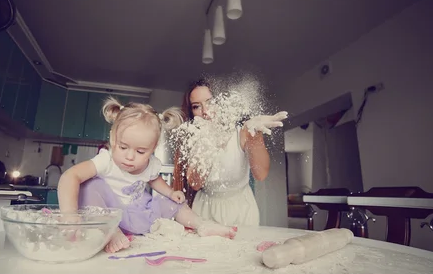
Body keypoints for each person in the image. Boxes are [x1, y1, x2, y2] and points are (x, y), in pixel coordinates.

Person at [57, 97, 237, 253]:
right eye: (123, 147)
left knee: (175, 202)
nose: (129, 156)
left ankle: (201, 224)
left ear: (153, 148)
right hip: (107, 215)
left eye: (141, 151)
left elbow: (154, 179)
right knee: (91, 185)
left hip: (136, 212)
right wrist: (69, 214)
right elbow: (69, 177)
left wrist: (170, 193)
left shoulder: (150, 164)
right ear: (113, 139)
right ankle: (110, 233)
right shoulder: (106, 160)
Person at [173, 79, 287, 227]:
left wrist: (255, 135)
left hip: (241, 208)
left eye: (211, 102)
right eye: (196, 106)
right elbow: (195, 184)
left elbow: (261, 174)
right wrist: (208, 145)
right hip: (205, 208)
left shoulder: (243, 133)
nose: (205, 111)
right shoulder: (195, 139)